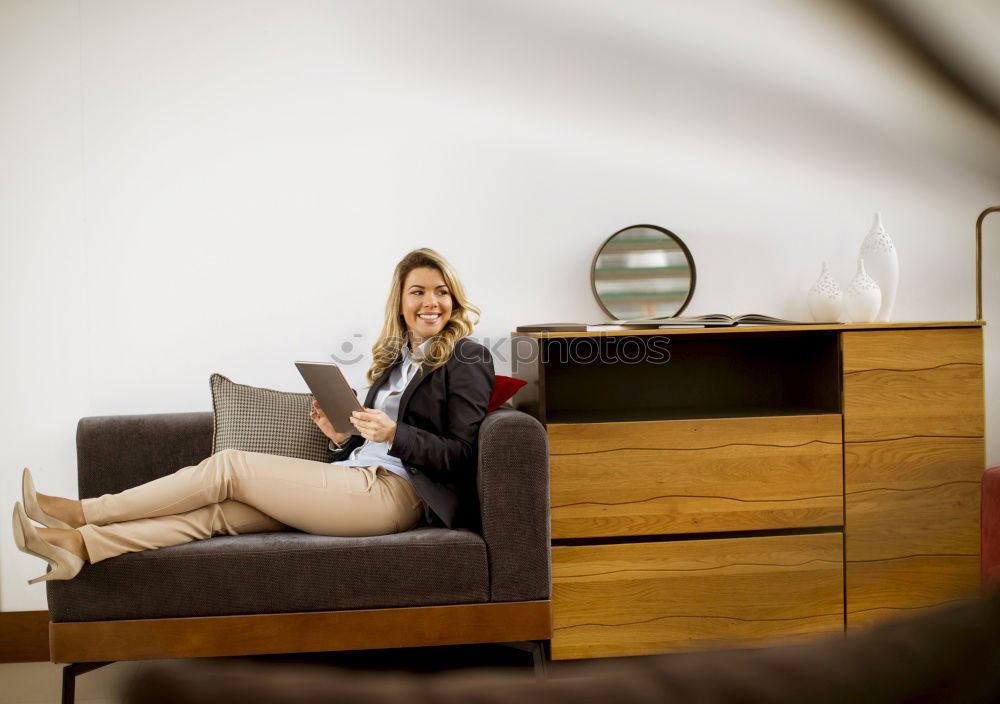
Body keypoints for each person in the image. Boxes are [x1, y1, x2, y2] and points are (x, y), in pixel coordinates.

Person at [11, 247, 495, 584]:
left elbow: (464, 454)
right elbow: (371, 441)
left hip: (398, 494)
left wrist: (394, 433)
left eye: (440, 291)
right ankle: (81, 547)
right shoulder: (395, 359)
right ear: (401, 301)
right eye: (417, 291)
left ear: (453, 299)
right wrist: (340, 436)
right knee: (216, 516)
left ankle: (84, 511)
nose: (430, 302)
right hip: (355, 477)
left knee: (229, 467)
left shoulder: (467, 357)